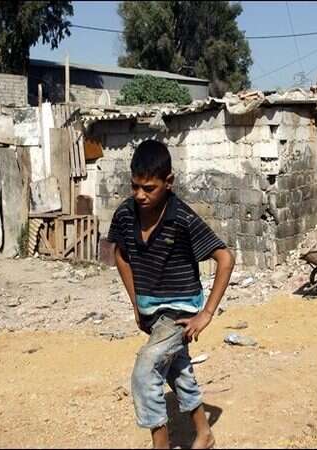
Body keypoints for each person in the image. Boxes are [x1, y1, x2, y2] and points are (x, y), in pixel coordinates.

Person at [107, 139, 235, 449]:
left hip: (179, 310)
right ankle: (204, 434)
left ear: (169, 182)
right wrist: (136, 303)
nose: (140, 194)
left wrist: (206, 314)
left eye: (149, 188)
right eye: (135, 186)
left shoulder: (182, 219)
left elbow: (225, 258)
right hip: (151, 310)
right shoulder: (125, 214)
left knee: (146, 369)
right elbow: (120, 254)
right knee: (177, 371)